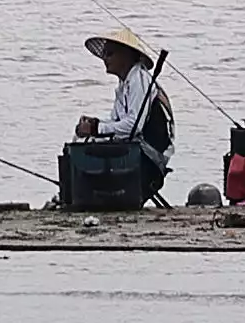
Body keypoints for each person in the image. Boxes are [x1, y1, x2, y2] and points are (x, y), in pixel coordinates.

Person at [67, 25, 173, 209]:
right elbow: (117, 124)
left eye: (110, 54)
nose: (105, 59)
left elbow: (133, 127)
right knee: (80, 142)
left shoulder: (139, 79)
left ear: (126, 55)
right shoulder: (124, 85)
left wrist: (96, 128)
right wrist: (94, 125)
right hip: (137, 149)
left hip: (150, 157)